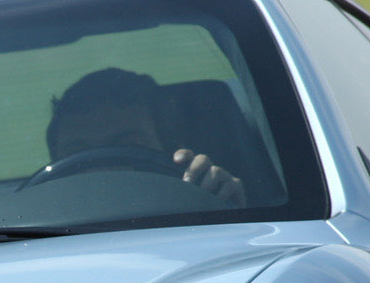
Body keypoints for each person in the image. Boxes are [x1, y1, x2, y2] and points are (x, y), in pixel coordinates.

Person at [44, 67, 248, 206]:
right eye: (77, 154)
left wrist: (225, 206)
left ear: (172, 153)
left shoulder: (196, 206)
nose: (101, 169)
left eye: (127, 147)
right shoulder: (37, 231)